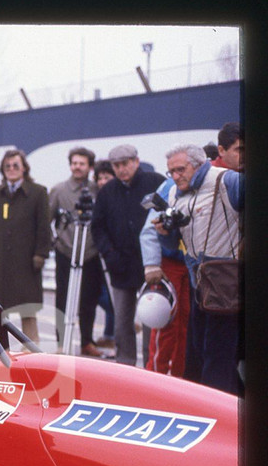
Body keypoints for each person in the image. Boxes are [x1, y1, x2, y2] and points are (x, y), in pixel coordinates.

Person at [152, 143, 242, 394]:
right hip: (197, 281)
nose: (175, 176)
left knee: (218, 353)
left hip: (225, 280)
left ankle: (219, 410)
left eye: (180, 169)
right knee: (197, 352)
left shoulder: (227, 180)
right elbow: (173, 243)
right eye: (171, 172)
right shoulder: (173, 193)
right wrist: (164, 232)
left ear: (199, 164)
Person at [89, 144, 165, 366]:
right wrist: (110, 254)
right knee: (122, 321)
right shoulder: (107, 191)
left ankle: (152, 366)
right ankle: (125, 366)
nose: (121, 169)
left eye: (125, 163)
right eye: (116, 165)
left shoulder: (155, 182)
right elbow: (98, 227)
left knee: (151, 318)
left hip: (151, 265)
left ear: (136, 162)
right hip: (120, 266)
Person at [0, 149, 51, 343]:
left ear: (24, 168)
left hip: (27, 261)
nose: (11, 169)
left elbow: (44, 227)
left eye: (15, 165)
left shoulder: (38, 192)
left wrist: (40, 255)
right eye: (7, 166)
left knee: (27, 309)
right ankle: (0, 349)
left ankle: (31, 350)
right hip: (0, 261)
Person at [48, 146, 104, 357]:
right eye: (74, 163)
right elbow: (47, 219)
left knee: (89, 300)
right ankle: (62, 343)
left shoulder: (97, 189)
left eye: (81, 163)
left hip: (91, 253)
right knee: (62, 299)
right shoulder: (59, 190)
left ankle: (86, 341)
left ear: (89, 166)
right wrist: (55, 241)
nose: (77, 167)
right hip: (66, 253)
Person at [138, 176, 190, 377]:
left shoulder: (223, 180)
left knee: (189, 328)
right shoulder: (170, 185)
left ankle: (182, 378)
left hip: (198, 265)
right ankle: (155, 377)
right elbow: (151, 228)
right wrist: (151, 264)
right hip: (172, 264)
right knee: (165, 322)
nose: (179, 174)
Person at [92, 160, 116, 348]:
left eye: (106, 177)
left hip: (111, 253)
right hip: (94, 254)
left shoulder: (115, 198)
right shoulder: (96, 196)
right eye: (99, 178)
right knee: (101, 295)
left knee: (110, 296)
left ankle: (111, 334)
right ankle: (110, 333)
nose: (102, 181)